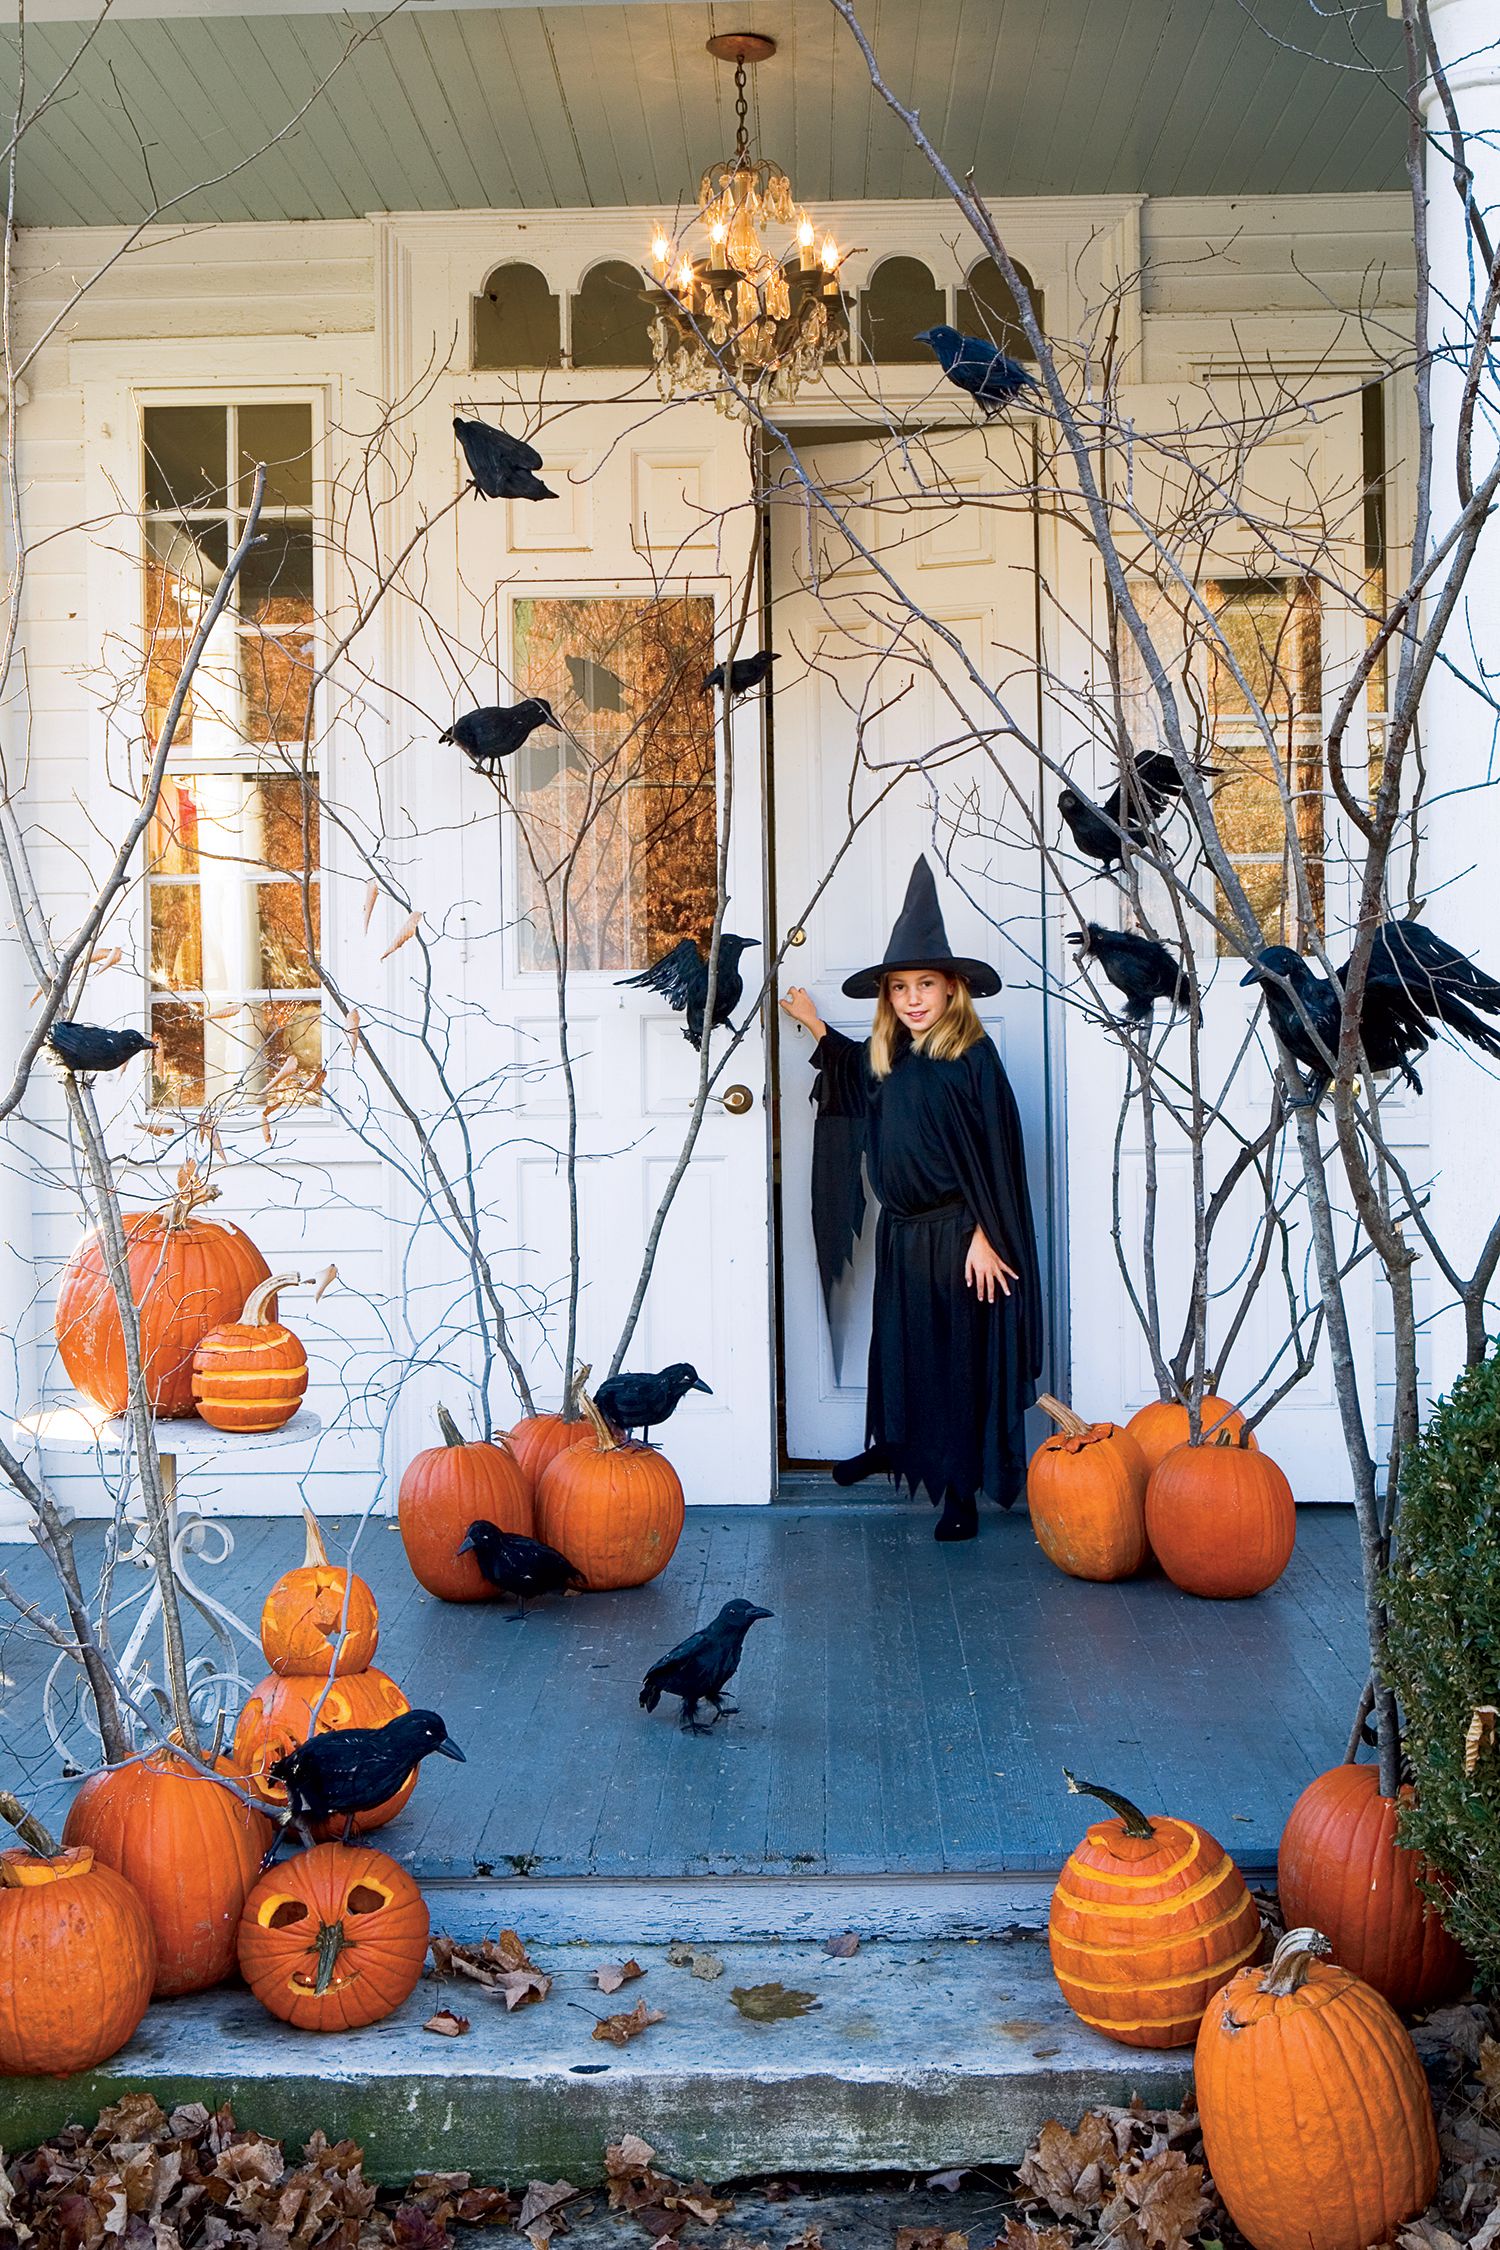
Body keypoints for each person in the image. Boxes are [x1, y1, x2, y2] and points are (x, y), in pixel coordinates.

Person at [779, 856, 1042, 1542]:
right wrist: (813, 1026)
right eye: (901, 988)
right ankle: (896, 1444)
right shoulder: (886, 1055)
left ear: (953, 988)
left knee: (955, 1364)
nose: (914, 998)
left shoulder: (971, 1060)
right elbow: (852, 1074)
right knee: (902, 1350)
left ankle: (960, 1493)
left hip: (959, 1240)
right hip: (903, 1236)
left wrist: (990, 1233)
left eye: (926, 984)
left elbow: (998, 1158)